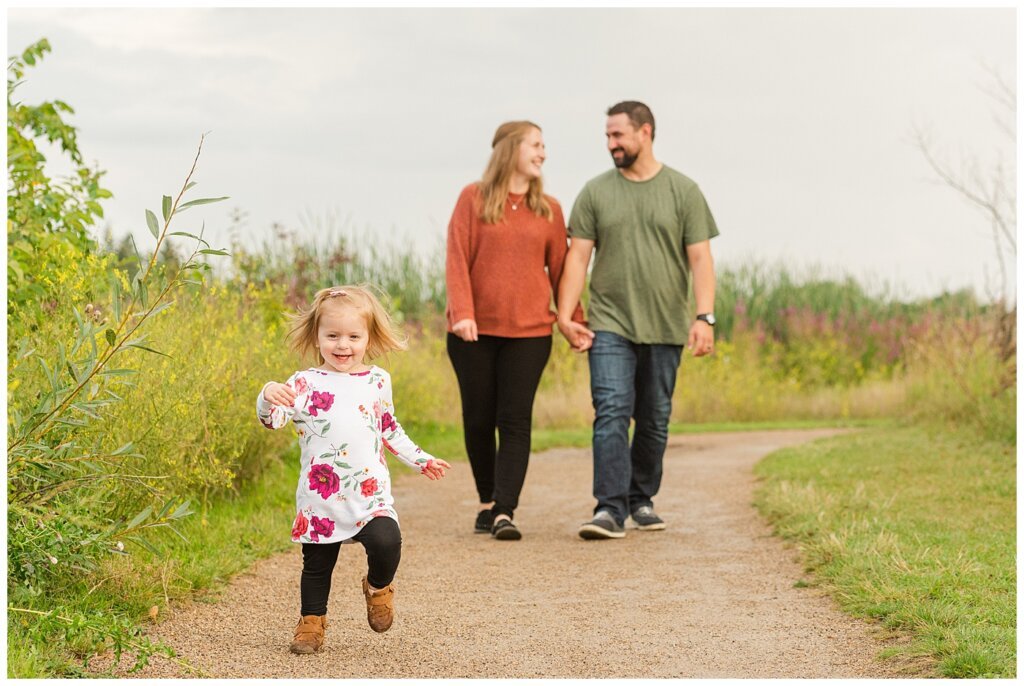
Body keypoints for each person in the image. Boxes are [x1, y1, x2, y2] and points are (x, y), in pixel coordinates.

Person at [557, 101, 720, 540]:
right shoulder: (595, 192)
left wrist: (704, 317)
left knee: (654, 417)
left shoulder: (683, 191)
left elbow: (701, 258)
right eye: (607, 136)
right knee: (611, 410)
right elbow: (578, 258)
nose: (611, 144)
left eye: (618, 136)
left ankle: (640, 498)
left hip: (666, 324)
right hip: (609, 322)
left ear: (644, 132)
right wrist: (565, 315)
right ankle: (609, 508)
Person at [257, 285, 451, 654]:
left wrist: (421, 458)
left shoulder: (377, 381)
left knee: (387, 541)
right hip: (321, 498)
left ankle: (378, 587)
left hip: (369, 493)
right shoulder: (304, 383)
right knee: (317, 565)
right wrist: (267, 394)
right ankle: (311, 622)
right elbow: (273, 420)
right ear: (316, 336)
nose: (342, 345)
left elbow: (389, 428)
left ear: (369, 337)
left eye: (353, 336)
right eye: (332, 336)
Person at [446, 120, 583, 541]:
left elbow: (563, 270)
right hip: (473, 331)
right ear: (510, 149)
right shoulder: (474, 198)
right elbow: (456, 258)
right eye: (536, 145)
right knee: (478, 419)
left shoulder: (550, 209)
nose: (543, 153)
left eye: (544, 146)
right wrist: (463, 313)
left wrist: (573, 319)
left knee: (515, 419)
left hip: (530, 333)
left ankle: (505, 509)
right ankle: (487, 499)